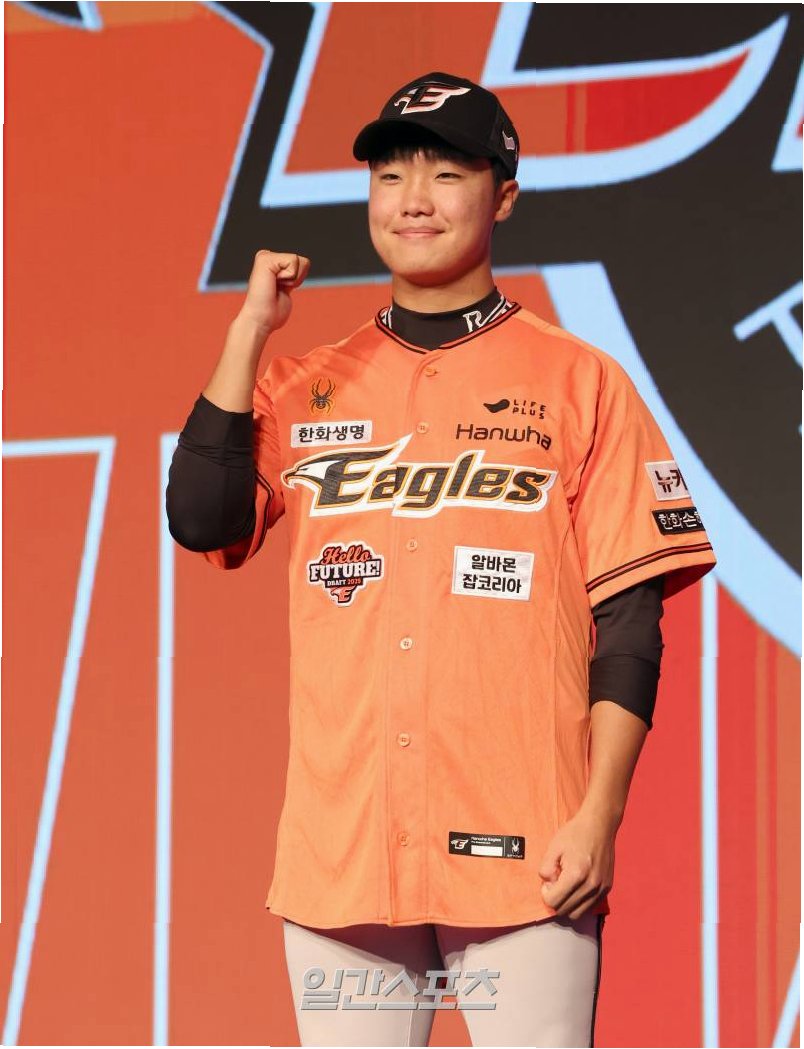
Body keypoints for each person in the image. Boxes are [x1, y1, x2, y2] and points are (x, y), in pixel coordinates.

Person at [166, 72, 716, 1047]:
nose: (413, 198)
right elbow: (201, 519)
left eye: (447, 172)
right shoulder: (304, 383)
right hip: (345, 856)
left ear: (503, 195)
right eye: (390, 175)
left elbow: (631, 621)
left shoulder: (582, 381)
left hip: (529, 856)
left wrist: (599, 814)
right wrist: (248, 332)